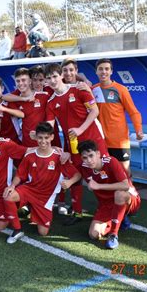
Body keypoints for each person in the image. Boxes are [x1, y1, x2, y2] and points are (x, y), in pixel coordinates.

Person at [45, 61, 108, 226]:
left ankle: (112, 206)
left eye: (55, 76)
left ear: (61, 76)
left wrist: (80, 129)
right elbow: (49, 127)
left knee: (102, 173)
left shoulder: (79, 89)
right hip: (73, 144)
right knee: (76, 175)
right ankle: (77, 211)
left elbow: (95, 111)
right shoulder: (51, 102)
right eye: (49, 78)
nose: (52, 80)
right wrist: (42, 136)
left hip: (93, 139)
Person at [3, 122, 80, 244]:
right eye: (40, 137)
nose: (43, 141)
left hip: (46, 197)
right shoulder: (30, 155)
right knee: (7, 196)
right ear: (36, 137)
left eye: (46, 138)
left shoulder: (59, 157)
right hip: (30, 190)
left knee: (43, 232)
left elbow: (77, 175)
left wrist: (70, 182)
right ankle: (17, 230)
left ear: (52, 137)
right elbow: (20, 174)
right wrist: (12, 186)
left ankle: (30, 208)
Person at [76, 140, 141, 249]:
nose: (89, 160)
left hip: (129, 199)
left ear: (98, 154)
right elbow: (70, 170)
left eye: (91, 155)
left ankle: (113, 234)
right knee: (93, 234)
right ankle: (119, 217)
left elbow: (125, 186)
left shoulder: (111, 162)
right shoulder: (83, 167)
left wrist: (98, 186)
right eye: (85, 158)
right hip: (106, 204)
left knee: (119, 194)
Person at [92, 58, 143, 175]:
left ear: (111, 71)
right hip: (101, 140)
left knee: (124, 171)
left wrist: (138, 129)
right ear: (96, 71)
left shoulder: (121, 89)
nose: (103, 72)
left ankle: (130, 193)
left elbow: (133, 112)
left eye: (106, 69)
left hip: (119, 140)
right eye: (100, 69)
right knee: (105, 172)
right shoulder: (93, 90)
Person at [0, 77, 24, 144]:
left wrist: (4, 109)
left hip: (14, 139)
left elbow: (21, 114)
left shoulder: (8, 101)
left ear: (2, 89)